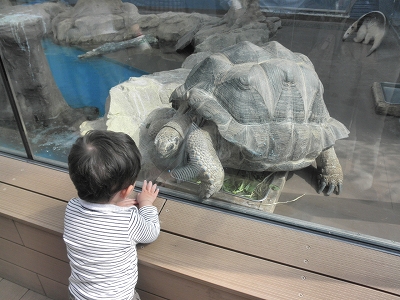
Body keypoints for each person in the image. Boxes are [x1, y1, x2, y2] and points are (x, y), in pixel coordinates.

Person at [63, 130, 160, 300]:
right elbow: (151, 232)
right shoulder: (127, 220)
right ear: (128, 191)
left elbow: (99, 221)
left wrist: (115, 203)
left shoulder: (71, 208)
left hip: (78, 295)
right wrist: (146, 203)